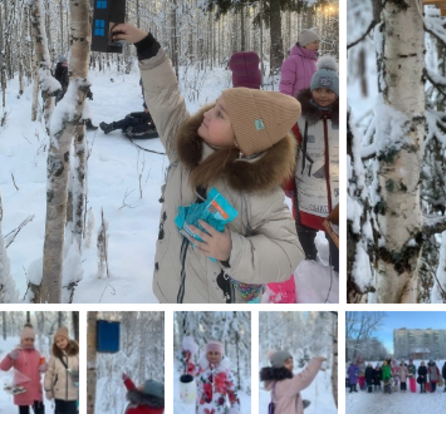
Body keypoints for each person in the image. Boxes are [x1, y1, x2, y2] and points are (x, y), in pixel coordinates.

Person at [110, 23, 305, 304]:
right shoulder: (187, 149)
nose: (208, 114)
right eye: (215, 106)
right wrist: (147, 47)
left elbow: (288, 253)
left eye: (220, 115)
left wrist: (231, 250)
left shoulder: (258, 192)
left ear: (241, 140)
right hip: (168, 290)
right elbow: (165, 100)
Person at [286, 56, 340, 273]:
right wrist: (287, 183)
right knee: (305, 259)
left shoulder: (344, 118)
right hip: (305, 197)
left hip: (337, 203)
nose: (324, 95)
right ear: (311, 90)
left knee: (338, 257)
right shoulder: (299, 118)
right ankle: (308, 276)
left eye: (329, 91)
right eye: (319, 90)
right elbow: (289, 153)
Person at [261, 351, 326, 414]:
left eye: (291, 362)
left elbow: (283, 402)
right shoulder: (285, 383)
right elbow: (304, 378)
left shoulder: (276, 381)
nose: (291, 365)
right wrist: (316, 361)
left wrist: (299, 405)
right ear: (279, 365)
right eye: (287, 362)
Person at [0, 324, 45, 414]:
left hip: (36, 391)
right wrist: (10, 357)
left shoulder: (37, 353)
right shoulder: (17, 352)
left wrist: (44, 366)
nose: (29, 342)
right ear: (22, 340)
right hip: (22, 392)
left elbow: (43, 367)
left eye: (32, 340)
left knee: (40, 411)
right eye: (27, 339)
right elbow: (3, 367)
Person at [195, 341, 241, 415]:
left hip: (220, 410)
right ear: (206, 354)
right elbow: (191, 381)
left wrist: (234, 408)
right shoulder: (200, 370)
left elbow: (233, 392)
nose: (213, 356)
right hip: (202, 410)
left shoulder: (226, 372)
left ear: (221, 354)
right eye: (210, 353)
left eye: (216, 353)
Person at [44, 328, 79, 415]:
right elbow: (49, 373)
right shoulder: (54, 357)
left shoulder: (76, 355)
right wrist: (48, 389)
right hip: (58, 394)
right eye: (57, 341)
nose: (60, 343)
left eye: (62, 340)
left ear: (67, 339)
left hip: (73, 395)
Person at [280, 29, 320, 97]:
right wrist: (286, 103)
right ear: (305, 44)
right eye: (314, 43)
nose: (317, 45)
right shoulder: (292, 61)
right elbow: (286, 84)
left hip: (313, 104)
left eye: (318, 42)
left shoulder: (316, 62)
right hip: (296, 103)